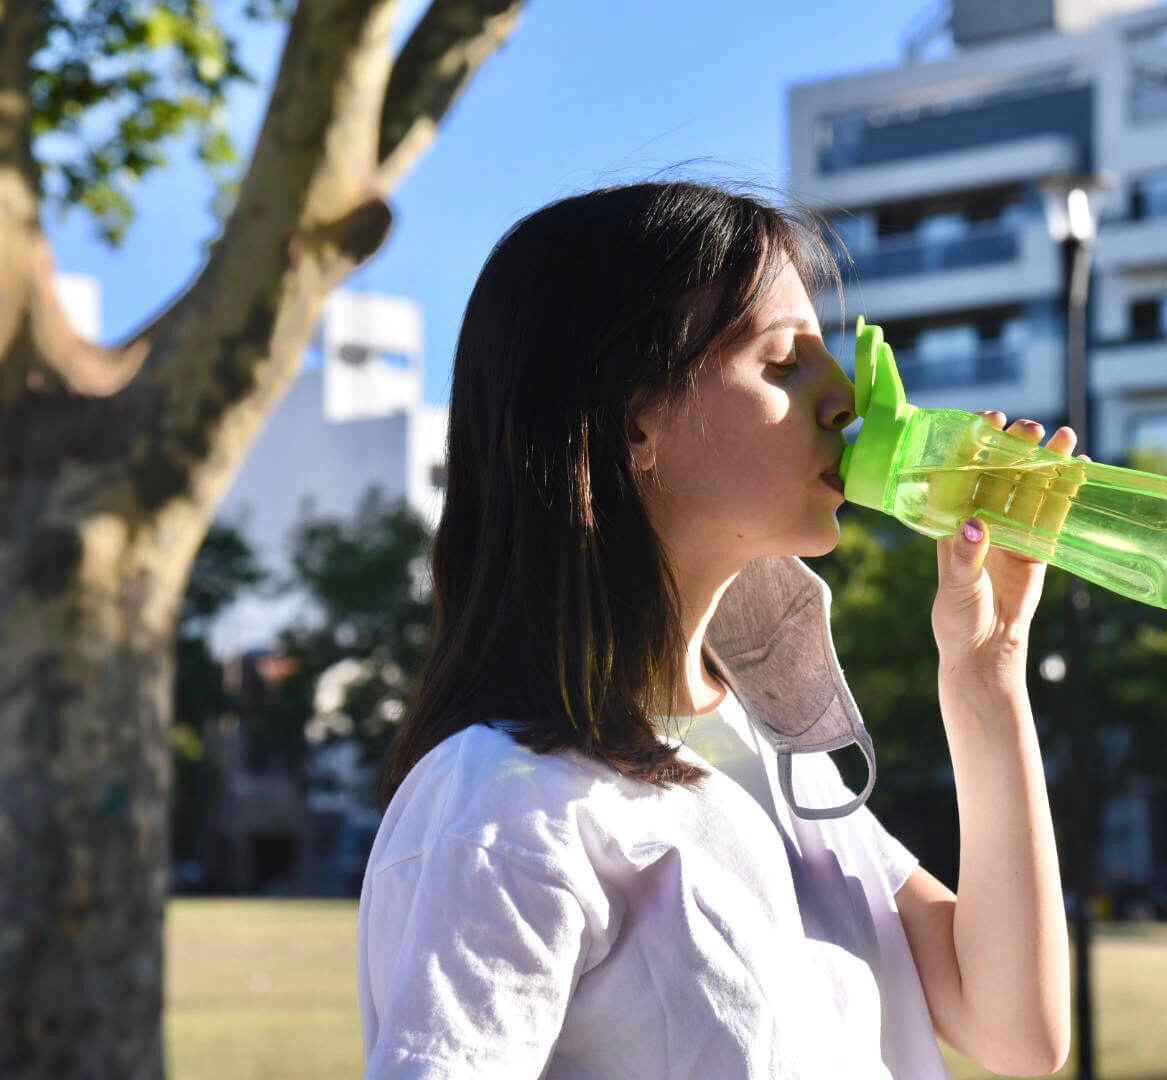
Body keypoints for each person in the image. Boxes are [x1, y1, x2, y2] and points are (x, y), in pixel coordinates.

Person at [356, 180, 1074, 1078]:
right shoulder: (504, 805)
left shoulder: (771, 751)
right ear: (628, 430)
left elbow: (1016, 1030)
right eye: (784, 363)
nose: (846, 401)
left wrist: (986, 675)